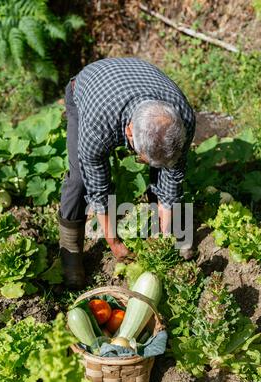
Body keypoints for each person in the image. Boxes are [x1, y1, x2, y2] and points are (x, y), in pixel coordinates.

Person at [59, 57, 195, 289]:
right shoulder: (97, 125)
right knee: (79, 179)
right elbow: (98, 188)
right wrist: (113, 241)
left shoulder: (183, 119)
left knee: (165, 165)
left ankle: (166, 228)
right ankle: (70, 251)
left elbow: (173, 174)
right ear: (129, 132)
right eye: (141, 156)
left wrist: (164, 234)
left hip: (138, 80)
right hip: (88, 88)